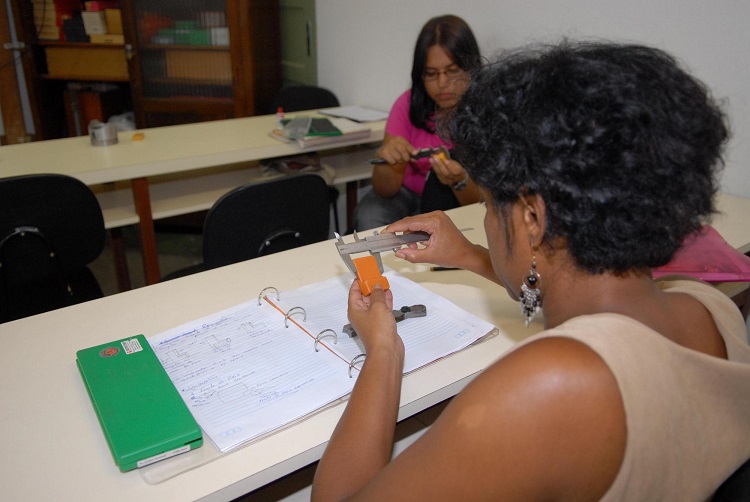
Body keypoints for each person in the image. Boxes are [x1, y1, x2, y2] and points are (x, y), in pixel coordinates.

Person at [312, 41, 750, 500]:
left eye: (488, 204)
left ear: (532, 218)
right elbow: (585, 301)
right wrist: (470, 255)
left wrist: (383, 349)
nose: (487, 219)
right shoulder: (708, 306)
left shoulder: (546, 387)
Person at [352, 14, 482, 231]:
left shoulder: (487, 111)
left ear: (471, 68)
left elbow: (483, 205)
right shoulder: (406, 104)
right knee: (370, 212)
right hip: (406, 196)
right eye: (431, 74)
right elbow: (384, 191)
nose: (442, 83)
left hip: (458, 203)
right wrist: (388, 162)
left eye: (452, 71)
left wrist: (459, 181)